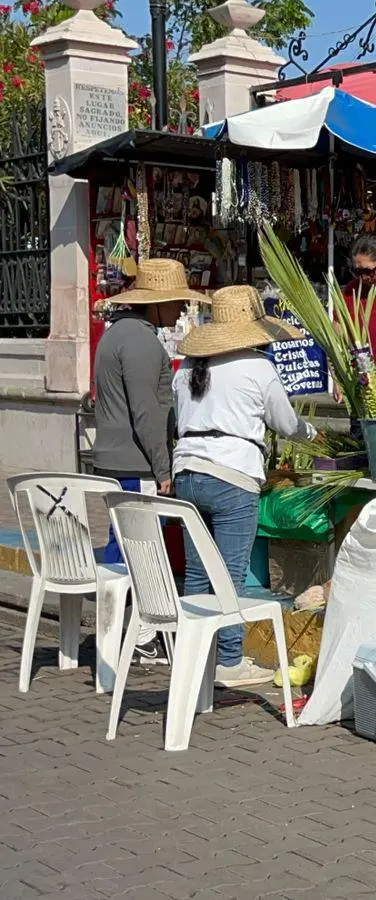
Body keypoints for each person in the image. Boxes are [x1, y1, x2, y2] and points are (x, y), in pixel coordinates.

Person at [171, 285, 319, 688]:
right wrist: (312, 433)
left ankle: (193, 656)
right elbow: (287, 424)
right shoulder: (257, 367)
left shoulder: (187, 367)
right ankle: (230, 659)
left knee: (199, 574)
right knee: (230, 573)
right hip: (232, 476)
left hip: (187, 474)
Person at [92, 258, 209, 664]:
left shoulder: (115, 335)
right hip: (136, 462)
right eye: (176, 303)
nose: (180, 311)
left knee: (120, 544)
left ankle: (117, 634)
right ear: (155, 303)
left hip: (112, 457)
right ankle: (138, 636)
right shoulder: (141, 342)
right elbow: (147, 413)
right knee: (140, 549)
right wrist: (163, 469)